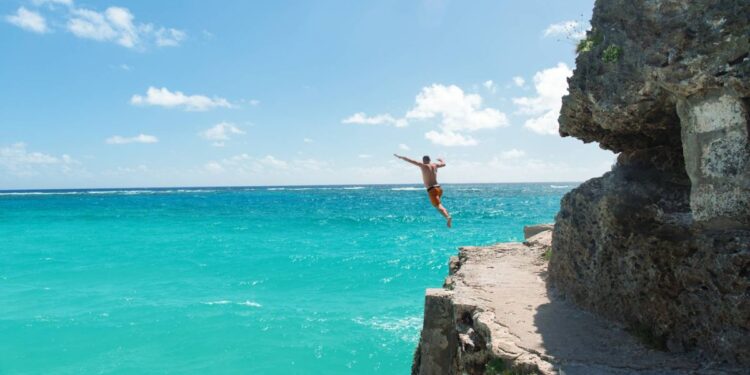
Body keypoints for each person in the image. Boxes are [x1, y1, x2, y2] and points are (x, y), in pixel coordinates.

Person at [394, 154, 452, 228]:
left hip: (432, 189)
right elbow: (443, 164)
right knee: (439, 204)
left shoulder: (423, 165)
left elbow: (411, 161)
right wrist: (441, 160)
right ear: (430, 160)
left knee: (438, 206)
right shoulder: (434, 165)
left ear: (424, 160)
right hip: (439, 188)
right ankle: (447, 214)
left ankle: (447, 217)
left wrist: (402, 157)